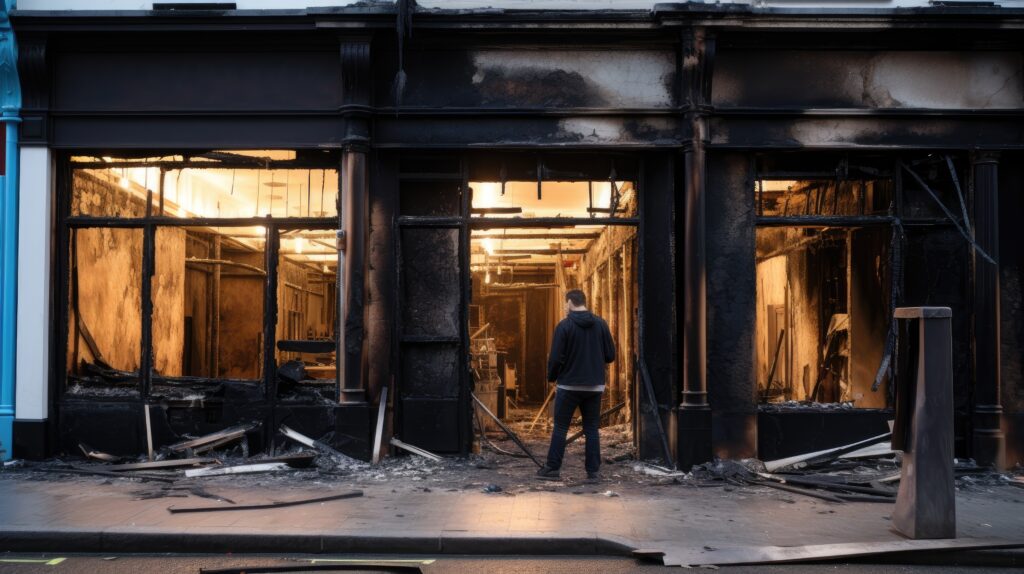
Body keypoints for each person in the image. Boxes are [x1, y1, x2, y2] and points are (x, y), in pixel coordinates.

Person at [536, 289, 615, 482]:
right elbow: (610, 355)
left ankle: (553, 468)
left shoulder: (564, 326)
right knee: (591, 429)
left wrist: (552, 377)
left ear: (570, 302)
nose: (565, 307)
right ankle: (593, 472)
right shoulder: (601, 324)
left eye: (565, 304)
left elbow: (555, 358)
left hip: (568, 386)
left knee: (561, 427)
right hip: (594, 387)